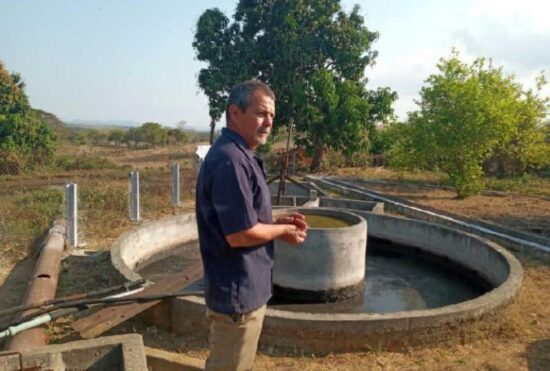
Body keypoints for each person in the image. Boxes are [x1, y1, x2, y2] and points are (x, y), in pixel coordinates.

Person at [195, 79, 308, 371]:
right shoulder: (231, 161)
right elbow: (239, 234)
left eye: (272, 115)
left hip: (244, 291)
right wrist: (284, 231)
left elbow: (244, 219)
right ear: (235, 113)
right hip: (238, 296)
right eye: (260, 113)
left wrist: (274, 221)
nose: (268, 122)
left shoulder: (240, 155)